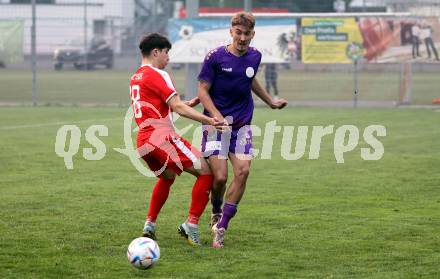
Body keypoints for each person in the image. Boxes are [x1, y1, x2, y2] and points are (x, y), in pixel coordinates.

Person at [197, 12, 288, 248]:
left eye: (247, 34)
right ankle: (216, 209)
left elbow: (250, 80)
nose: (243, 38)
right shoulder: (215, 57)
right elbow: (202, 90)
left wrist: (270, 101)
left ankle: (222, 226)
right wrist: (215, 117)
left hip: (241, 126)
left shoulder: (255, 56)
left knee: (243, 171)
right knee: (219, 177)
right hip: (216, 126)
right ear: (231, 32)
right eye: (238, 32)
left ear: (252, 35)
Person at [130, 33, 225, 246]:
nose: (168, 58)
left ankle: (150, 225)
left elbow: (155, 111)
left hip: (143, 141)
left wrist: (183, 106)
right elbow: (177, 107)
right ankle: (191, 225)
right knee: (207, 171)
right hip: (162, 138)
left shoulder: (136, 76)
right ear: (156, 52)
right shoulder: (158, 74)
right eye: (166, 53)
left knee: (167, 177)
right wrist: (208, 119)